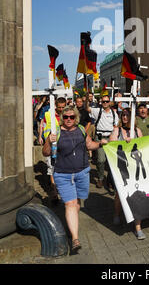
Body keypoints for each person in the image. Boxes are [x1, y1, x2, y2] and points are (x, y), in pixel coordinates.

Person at [42, 105, 108, 254]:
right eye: (66, 117)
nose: (69, 120)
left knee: (77, 201)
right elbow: (45, 152)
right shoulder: (56, 132)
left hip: (82, 172)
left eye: (72, 117)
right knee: (70, 204)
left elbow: (89, 145)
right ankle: (75, 238)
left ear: (76, 117)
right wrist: (48, 141)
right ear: (62, 118)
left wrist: (101, 144)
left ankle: (72, 222)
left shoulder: (81, 130)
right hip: (62, 174)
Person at [109, 109, 146, 239]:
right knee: (120, 194)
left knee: (137, 194)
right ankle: (117, 213)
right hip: (121, 168)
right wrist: (123, 143)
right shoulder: (117, 131)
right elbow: (111, 147)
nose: (125, 117)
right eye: (123, 115)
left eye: (127, 115)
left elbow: (144, 146)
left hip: (134, 167)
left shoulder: (137, 131)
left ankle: (138, 227)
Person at [87, 95, 119, 190]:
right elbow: (87, 109)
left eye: (106, 101)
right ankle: (100, 178)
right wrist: (86, 99)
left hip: (110, 138)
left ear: (109, 102)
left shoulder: (114, 113)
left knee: (111, 162)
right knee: (101, 160)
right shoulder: (98, 111)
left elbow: (116, 126)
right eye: (103, 101)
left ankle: (110, 180)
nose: (105, 103)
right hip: (100, 138)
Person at [39, 97, 67, 203]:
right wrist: (41, 136)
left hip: (63, 146)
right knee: (51, 169)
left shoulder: (68, 115)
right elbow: (42, 124)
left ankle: (63, 189)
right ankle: (54, 193)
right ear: (56, 105)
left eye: (63, 107)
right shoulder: (48, 114)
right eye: (59, 107)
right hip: (51, 145)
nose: (61, 109)